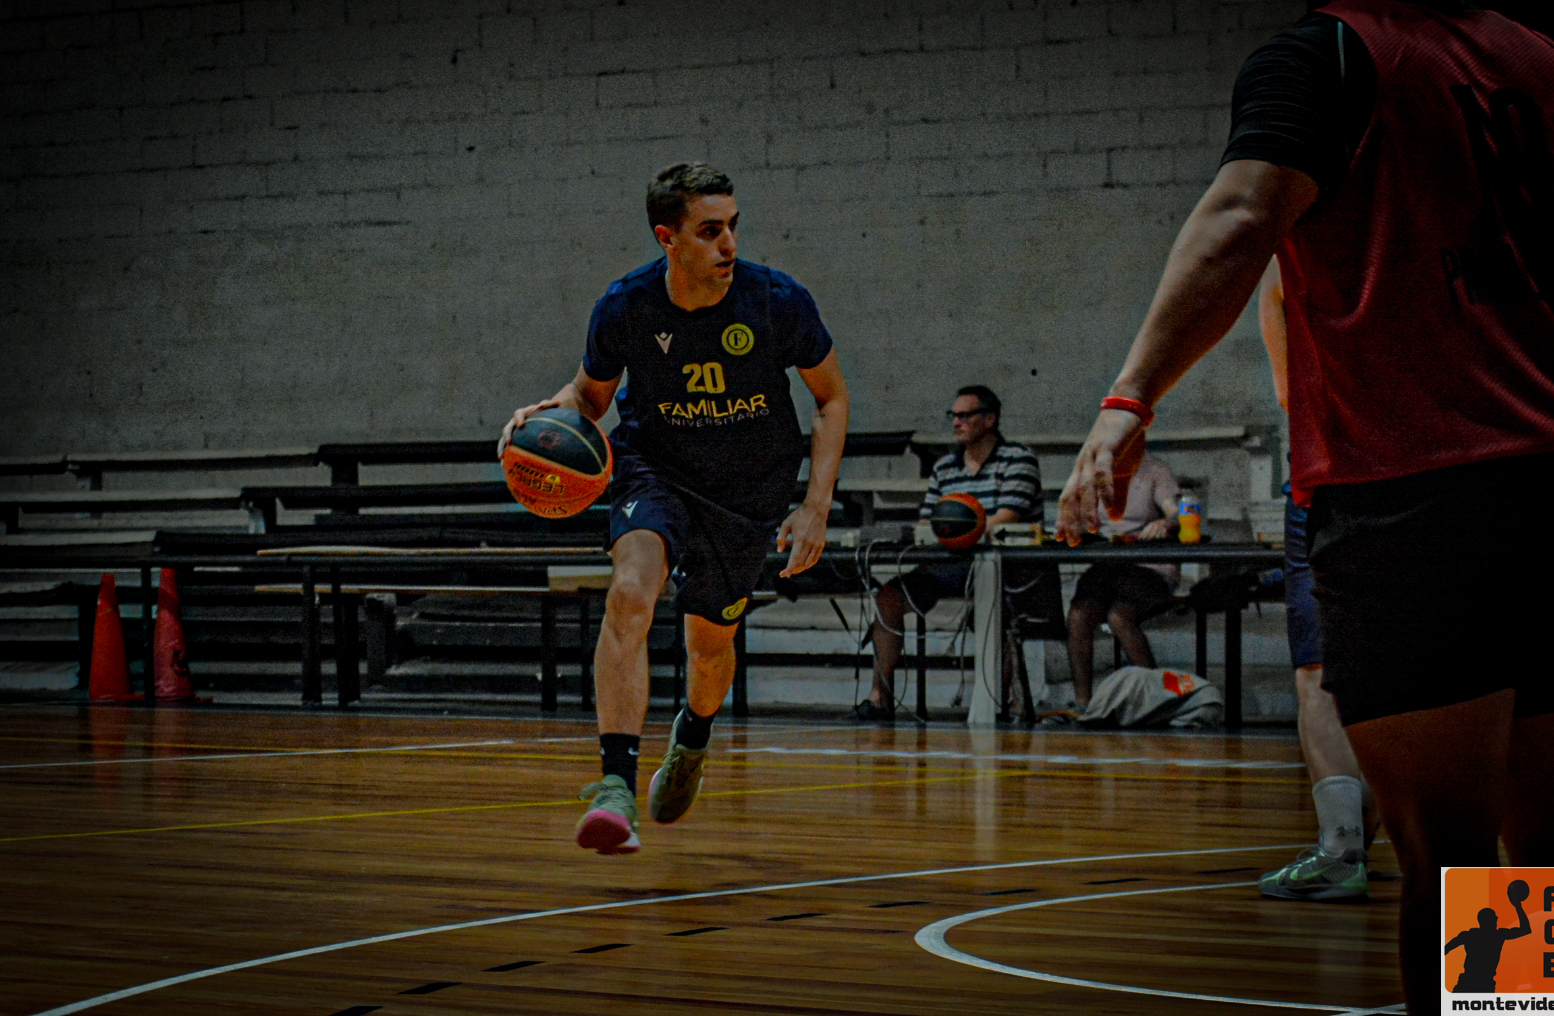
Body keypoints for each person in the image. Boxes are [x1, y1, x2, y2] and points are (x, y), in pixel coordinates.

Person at [1055, 0, 1554, 1009]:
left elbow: (1240, 216)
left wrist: (1127, 402)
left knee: (1449, 852)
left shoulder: (1327, 55)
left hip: (1422, 491)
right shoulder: (1551, 62)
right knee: (1548, 852)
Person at [500, 163, 849, 855]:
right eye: (710, 231)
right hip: (654, 468)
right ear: (668, 238)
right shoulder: (626, 306)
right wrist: (550, 412)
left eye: (733, 227)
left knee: (708, 649)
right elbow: (590, 396)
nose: (729, 244)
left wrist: (815, 506)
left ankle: (691, 738)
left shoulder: (776, 301)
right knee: (630, 593)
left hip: (748, 489)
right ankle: (614, 788)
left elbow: (830, 397)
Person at [1255, 257, 1379, 903]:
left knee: (1323, 675)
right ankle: (1346, 844)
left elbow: (1236, 242)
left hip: (1350, 475)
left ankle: (1342, 849)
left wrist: (1126, 405)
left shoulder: (1296, 242)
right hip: (1494, 473)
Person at [851, 386, 1044, 721]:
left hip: (1003, 566)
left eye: (965, 415)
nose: (956, 422)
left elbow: (1006, 517)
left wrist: (959, 530)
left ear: (989, 419)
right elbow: (928, 521)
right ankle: (879, 698)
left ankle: (997, 703)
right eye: (953, 416)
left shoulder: (1018, 459)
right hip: (949, 563)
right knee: (888, 598)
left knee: (998, 613)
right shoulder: (944, 467)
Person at [1062, 452, 1180, 712]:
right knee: (1078, 617)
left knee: (1119, 616)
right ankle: (1083, 703)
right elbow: (1080, 517)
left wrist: (1164, 522)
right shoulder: (1094, 473)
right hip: (1108, 563)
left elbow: (1175, 513)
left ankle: (1156, 698)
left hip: (1149, 565)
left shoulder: (1154, 470)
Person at [1445, 893, 1531, 993]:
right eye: (1494, 916)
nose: (1497, 918)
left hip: (1470, 983)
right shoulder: (1498, 935)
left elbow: (1446, 948)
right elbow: (1525, 929)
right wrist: (1518, 906)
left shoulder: (1469, 935)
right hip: (1482, 984)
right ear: (1488, 920)